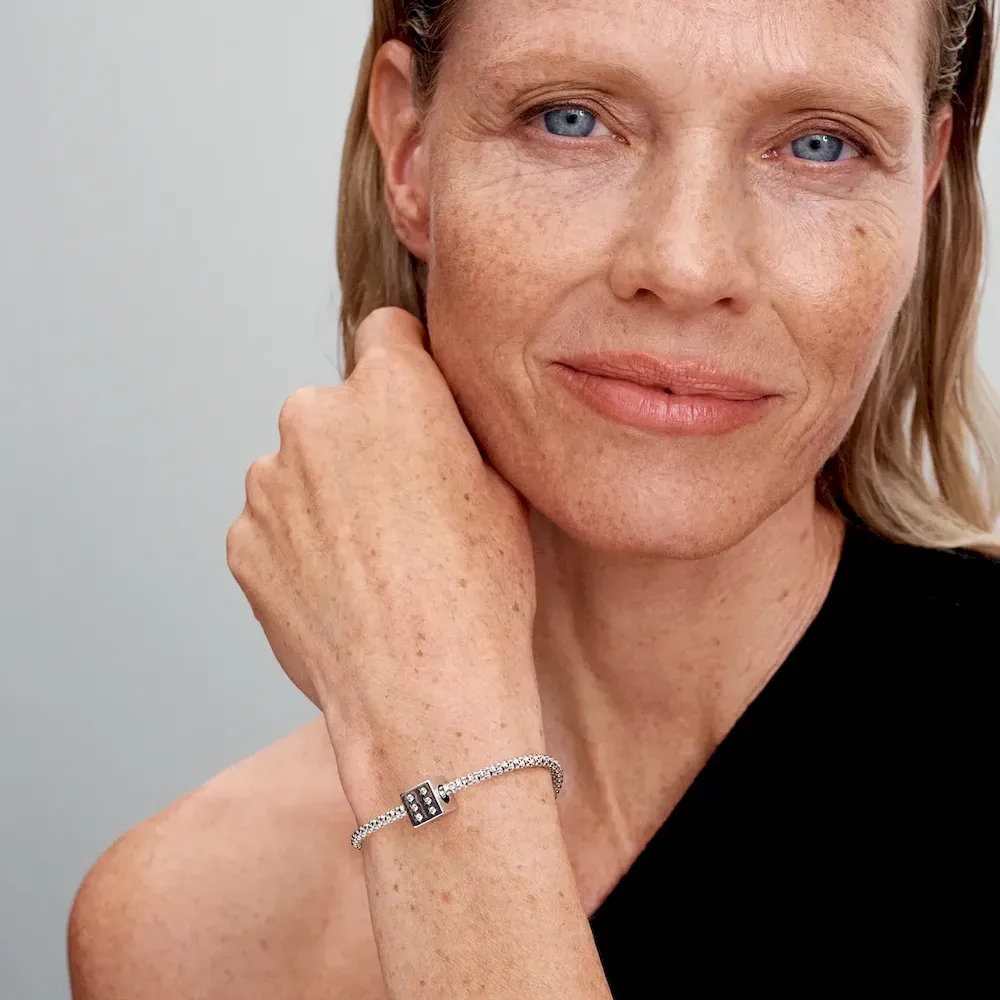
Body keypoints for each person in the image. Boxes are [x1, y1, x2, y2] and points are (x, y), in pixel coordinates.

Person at [68, 1, 1000, 996]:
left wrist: (432, 746)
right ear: (409, 152)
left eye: (820, 145)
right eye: (570, 120)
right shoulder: (190, 930)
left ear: (924, 184)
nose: (686, 265)